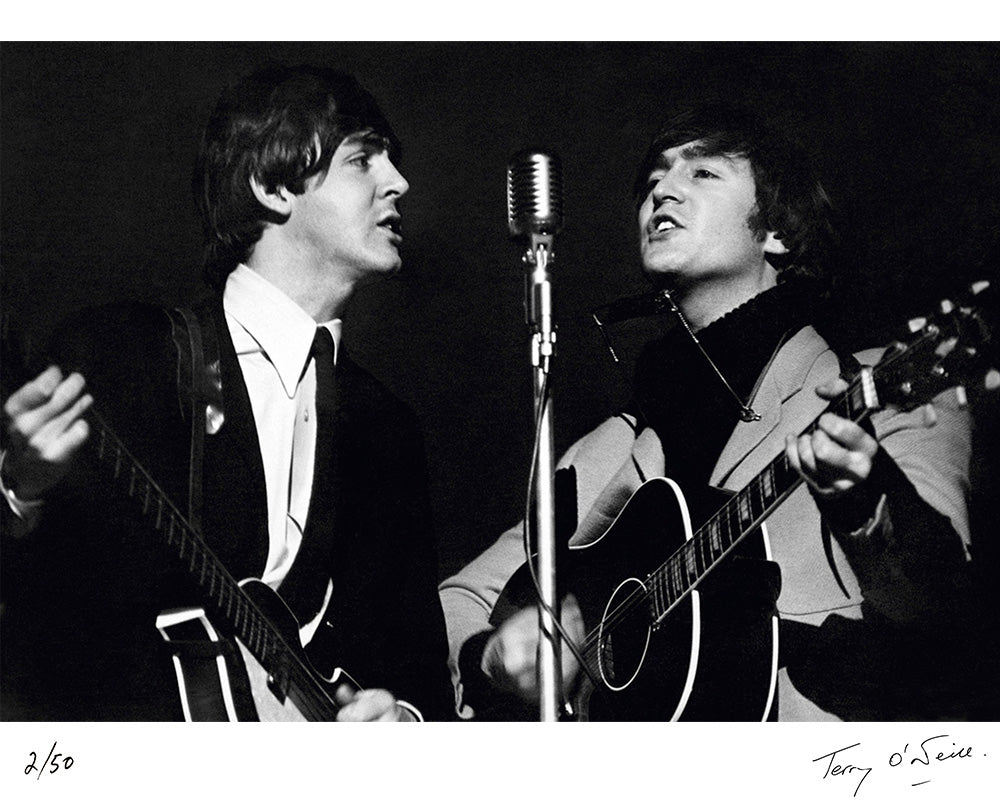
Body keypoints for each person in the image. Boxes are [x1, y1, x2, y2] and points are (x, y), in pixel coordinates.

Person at [439, 102, 979, 721]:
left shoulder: (871, 390)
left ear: (776, 232)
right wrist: (493, 658)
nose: (662, 190)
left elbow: (937, 600)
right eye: (653, 181)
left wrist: (867, 500)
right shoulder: (609, 447)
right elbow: (457, 598)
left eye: (703, 173)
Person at [1, 62, 453, 722]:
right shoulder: (119, 354)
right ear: (272, 188)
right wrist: (19, 487)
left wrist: (402, 719)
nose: (399, 182)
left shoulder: (387, 429)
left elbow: (418, 675)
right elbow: (40, 617)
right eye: (363, 159)